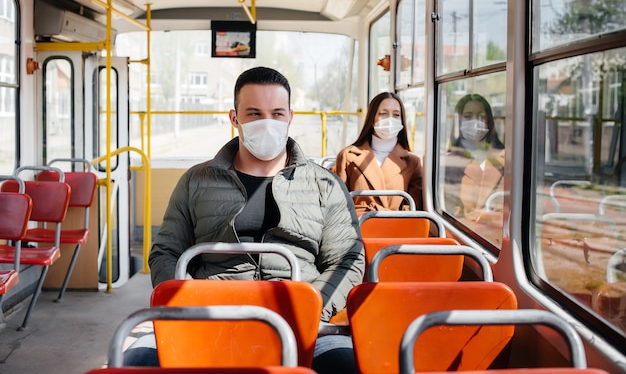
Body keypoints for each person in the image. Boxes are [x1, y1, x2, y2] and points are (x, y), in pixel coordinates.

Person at [125, 66, 365, 373]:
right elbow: (166, 252)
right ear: (234, 118)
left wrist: (312, 308)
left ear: (290, 116)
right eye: (254, 113)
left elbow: (348, 260)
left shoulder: (325, 185)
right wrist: (188, 307)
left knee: (346, 363)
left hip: (301, 316)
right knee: (137, 361)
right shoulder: (196, 181)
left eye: (277, 113)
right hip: (209, 314)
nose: (267, 123)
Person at [334, 92, 424, 213]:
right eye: (383, 113)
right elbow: (338, 205)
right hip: (358, 228)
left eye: (396, 115)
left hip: (396, 228)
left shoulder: (413, 162)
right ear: (372, 119)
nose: (390, 120)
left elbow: (414, 208)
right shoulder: (348, 156)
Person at [445, 93, 505, 222]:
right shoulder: (446, 163)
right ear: (459, 120)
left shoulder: (506, 159)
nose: (475, 122)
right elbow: (448, 207)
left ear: (488, 120)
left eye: (481, 116)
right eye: (468, 116)